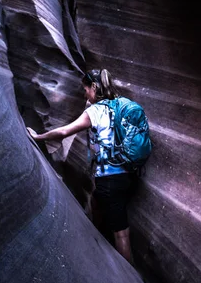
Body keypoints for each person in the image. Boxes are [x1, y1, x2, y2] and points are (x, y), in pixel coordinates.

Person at [27, 69, 136, 264]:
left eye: (85, 89)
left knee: (121, 235)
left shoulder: (95, 111)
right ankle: (99, 248)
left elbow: (64, 132)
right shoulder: (122, 105)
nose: (85, 94)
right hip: (127, 175)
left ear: (94, 87)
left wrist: (38, 137)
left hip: (110, 178)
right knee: (97, 203)